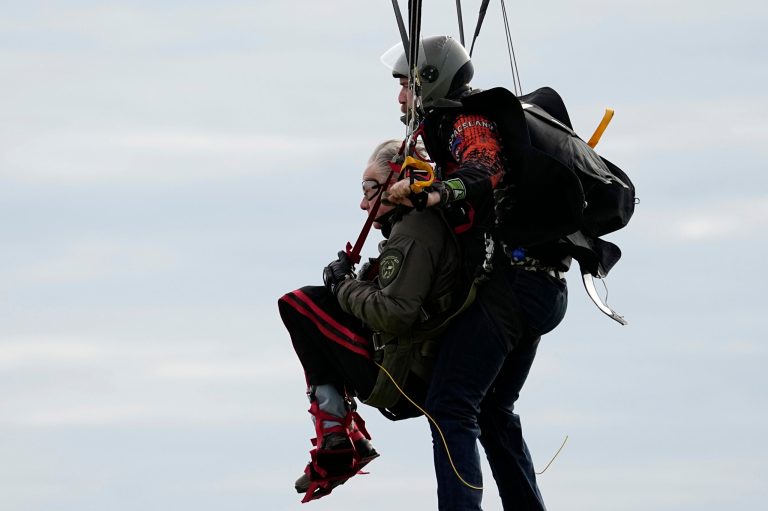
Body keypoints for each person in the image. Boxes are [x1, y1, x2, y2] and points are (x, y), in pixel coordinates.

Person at [382, 35, 570, 510]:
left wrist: (433, 194)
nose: (401, 96)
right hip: (540, 286)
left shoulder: (465, 120)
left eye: (406, 84)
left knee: (450, 406)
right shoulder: (449, 125)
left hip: (517, 283)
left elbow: (484, 167)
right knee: (491, 410)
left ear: (429, 81)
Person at [277, 138, 467, 502]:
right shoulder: (418, 226)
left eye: (370, 189)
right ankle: (340, 436)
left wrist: (342, 286)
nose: (364, 203)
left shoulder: (414, 232)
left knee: (298, 305)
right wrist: (361, 281)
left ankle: (338, 436)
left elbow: (394, 314)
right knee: (312, 304)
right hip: (414, 368)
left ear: (397, 182)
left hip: (400, 378)